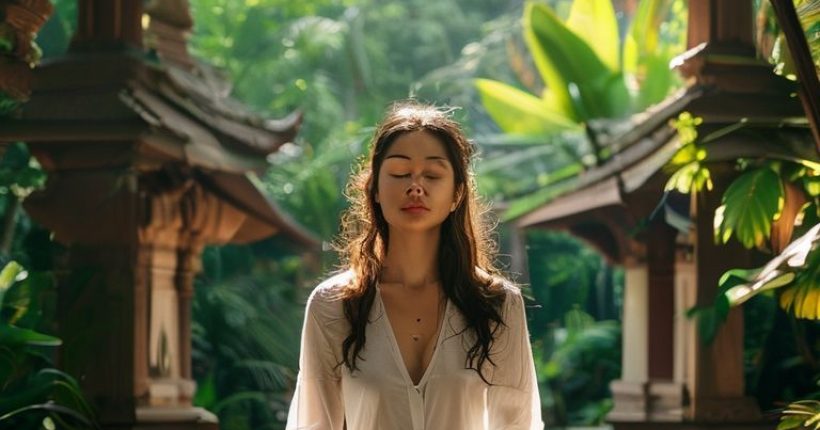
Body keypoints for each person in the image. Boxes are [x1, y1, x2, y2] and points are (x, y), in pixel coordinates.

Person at [286, 101, 542, 430]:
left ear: (456, 195)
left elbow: (517, 424)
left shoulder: (497, 304)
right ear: (375, 189)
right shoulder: (334, 305)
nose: (415, 186)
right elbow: (314, 423)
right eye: (399, 173)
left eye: (433, 175)